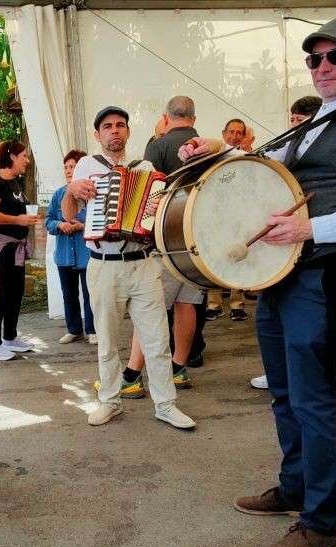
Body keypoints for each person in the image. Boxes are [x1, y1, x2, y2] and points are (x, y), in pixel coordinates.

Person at [183, 15, 336, 547]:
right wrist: (219, 153)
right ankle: (292, 487)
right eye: (314, 59)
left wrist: (310, 229)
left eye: (334, 56)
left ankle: (320, 524)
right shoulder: (314, 122)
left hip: (326, 274)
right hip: (283, 275)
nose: (323, 67)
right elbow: (268, 173)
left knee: (314, 400)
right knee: (284, 393)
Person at [65, 106, 197, 430]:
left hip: (143, 264)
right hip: (103, 263)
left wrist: (153, 207)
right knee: (108, 340)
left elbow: (156, 217)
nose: (114, 131)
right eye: (107, 126)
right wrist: (71, 191)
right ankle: (110, 401)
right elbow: (69, 212)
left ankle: (165, 404)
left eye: (120, 125)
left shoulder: (145, 167)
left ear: (127, 131)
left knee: (156, 338)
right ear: (98, 135)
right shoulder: (85, 165)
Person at [109, 96, 208, 395]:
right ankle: (179, 368)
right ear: (193, 116)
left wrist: (156, 136)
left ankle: (132, 375)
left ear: (166, 116)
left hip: (165, 237)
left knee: (149, 308)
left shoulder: (159, 145)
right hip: (199, 236)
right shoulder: (208, 145)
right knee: (187, 303)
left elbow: (146, 189)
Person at [249, 96, 323, 391]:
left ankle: (309, 376)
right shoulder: (289, 146)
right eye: (292, 120)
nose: (294, 126)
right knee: (274, 323)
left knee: (306, 333)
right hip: (283, 249)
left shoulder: (323, 154)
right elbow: (257, 163)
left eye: (300, 121)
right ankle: (279, 371)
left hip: (315, 254)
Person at [0, 140, 37, 361]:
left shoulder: (15, 183)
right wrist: (17, 219)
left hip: (16, 249)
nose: (27, 161)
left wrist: (26, 218)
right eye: (24, 156)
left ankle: (10, 337)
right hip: (1, 249)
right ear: (12, 156)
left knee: (15, 294)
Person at [45, 149, 95, 345]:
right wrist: (59, 225)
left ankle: (92, 330)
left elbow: (99, 220)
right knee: (69, 295)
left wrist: (82, 225)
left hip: (87, 254)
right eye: (65, 167)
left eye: (72, 166)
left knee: (90, 294)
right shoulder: (58, 194)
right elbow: (48, 220)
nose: (67, 170)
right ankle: (74, 330)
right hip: (64, 255)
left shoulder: (92, 193)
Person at [206, 119, 252, 322]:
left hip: (239, 214)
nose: (234, 136)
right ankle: (214, 304)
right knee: (213, 256)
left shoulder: (248, 159)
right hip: (215, 213)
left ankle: (237, 303)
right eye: (231, 132)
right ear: (223, 134)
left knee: (238, 256)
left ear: (244, 137)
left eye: (239, 133)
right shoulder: (212, 155)